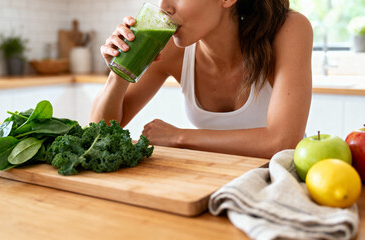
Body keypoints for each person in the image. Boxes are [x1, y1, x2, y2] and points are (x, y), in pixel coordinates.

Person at [90, 0, 313, 159]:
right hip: (214, 180)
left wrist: (180, 137)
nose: (164, 8)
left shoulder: (289, 29)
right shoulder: (168, 46)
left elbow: (282, 142)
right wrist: (119, 69)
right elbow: (100, 130)